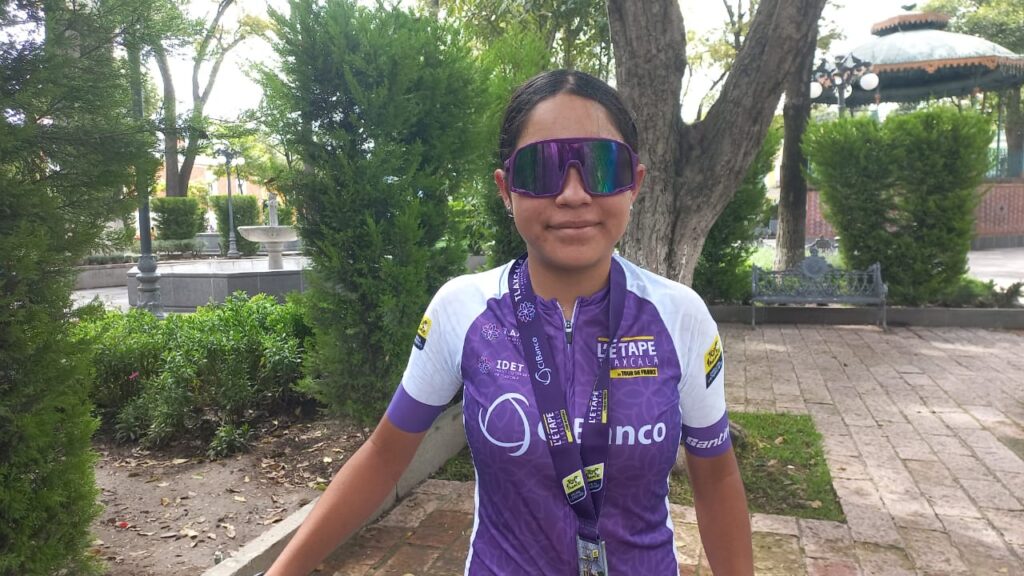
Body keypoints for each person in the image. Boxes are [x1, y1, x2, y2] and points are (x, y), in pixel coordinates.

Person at [260, 69, 753, 576]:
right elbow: (385, 457)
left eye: (601, 167)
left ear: (635, 184)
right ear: (506, 189)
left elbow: (716, 478)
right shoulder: (462, 309)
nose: (573, 193)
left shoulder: (678, 316)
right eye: (542, 168)